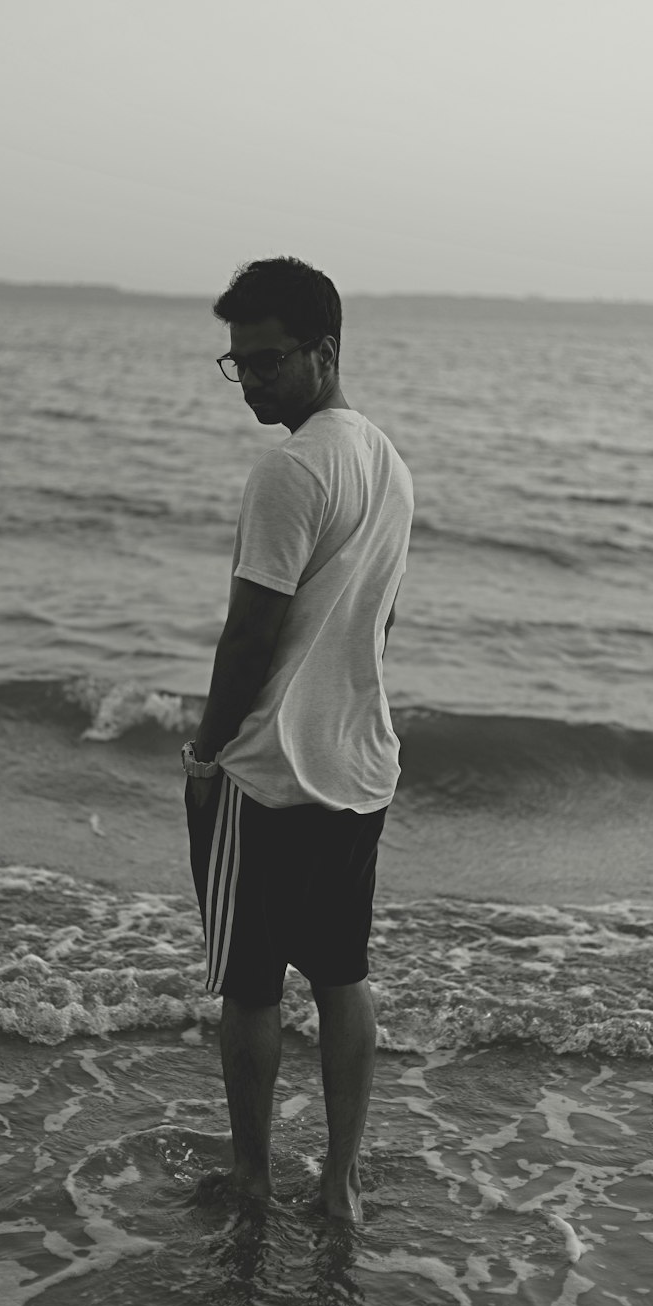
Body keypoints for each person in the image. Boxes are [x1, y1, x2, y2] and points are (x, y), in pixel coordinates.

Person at [182, 257, 414, 1222]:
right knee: (341, 974)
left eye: (270, 361)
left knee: (249, 988)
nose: (255, 383)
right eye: (239, 365)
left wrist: (203, 753)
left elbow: (250, 633)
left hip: (270, 771)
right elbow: (379, 625)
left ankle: (253, 1177)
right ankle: (342, 1184)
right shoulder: (389, 463)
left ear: (325, 351)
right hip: (358, 769)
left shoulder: (292, 467)